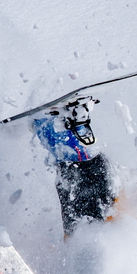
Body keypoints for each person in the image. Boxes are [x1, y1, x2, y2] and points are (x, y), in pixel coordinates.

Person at [30, 97, 115, 235]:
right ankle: (71, 117)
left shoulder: (77, 242)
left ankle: (43, 123)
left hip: (77, 194)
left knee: (65, 163)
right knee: (74, 159)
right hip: (92, 177)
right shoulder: (114, 234)